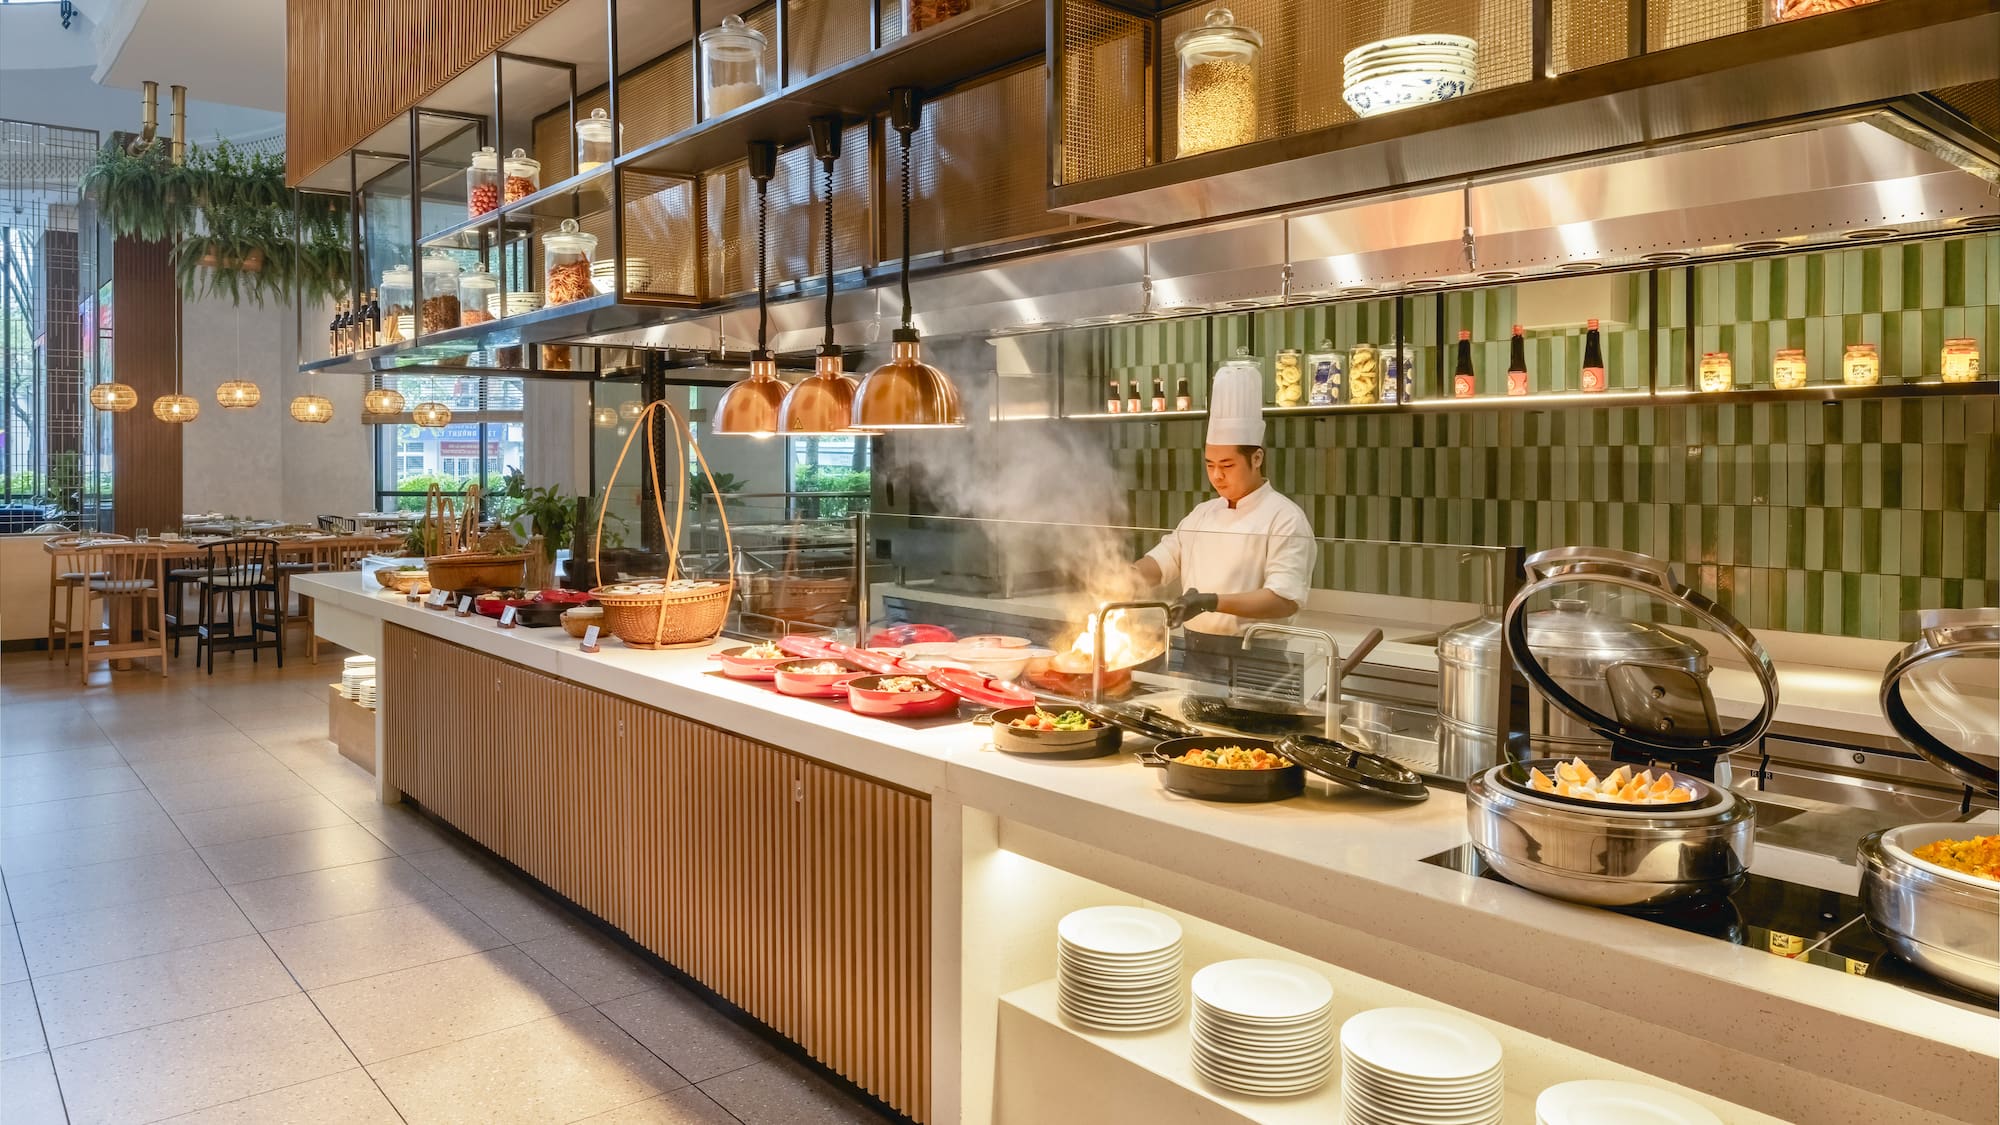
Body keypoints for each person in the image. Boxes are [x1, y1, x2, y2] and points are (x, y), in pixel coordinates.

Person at [1130, 360, 1316, 690]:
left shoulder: (1285, 517)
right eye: (1210, 464)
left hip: (1258, 665)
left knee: (1247, 744)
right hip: (1196, 658)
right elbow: (1162, 562)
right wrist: (1124, 578)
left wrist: (1212, 601)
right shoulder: (1202, 514)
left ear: (1256, 458)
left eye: (1227, 465)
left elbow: (1283, 599)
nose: (1216, 475)